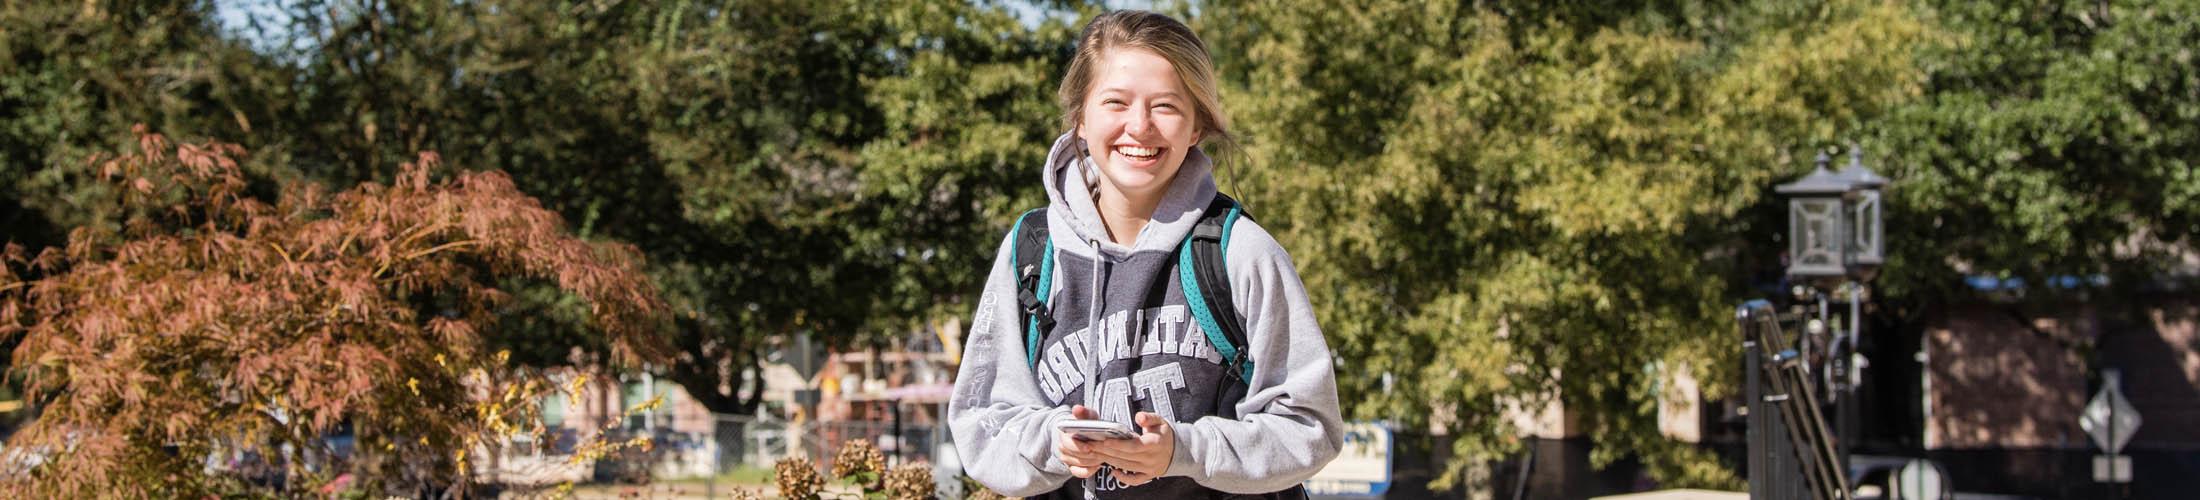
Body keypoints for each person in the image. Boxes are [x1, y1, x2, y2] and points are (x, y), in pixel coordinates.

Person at [948, 10, 1342, 499]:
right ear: (1080, 119)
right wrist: (1054, 443)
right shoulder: (1031, 250)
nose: (1140, 126)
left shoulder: (1239, 251)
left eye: (1166, 107)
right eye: (1116, 102)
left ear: (1196, 126)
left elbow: (1311, 427)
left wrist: (1184, 450)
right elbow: (983, 422)